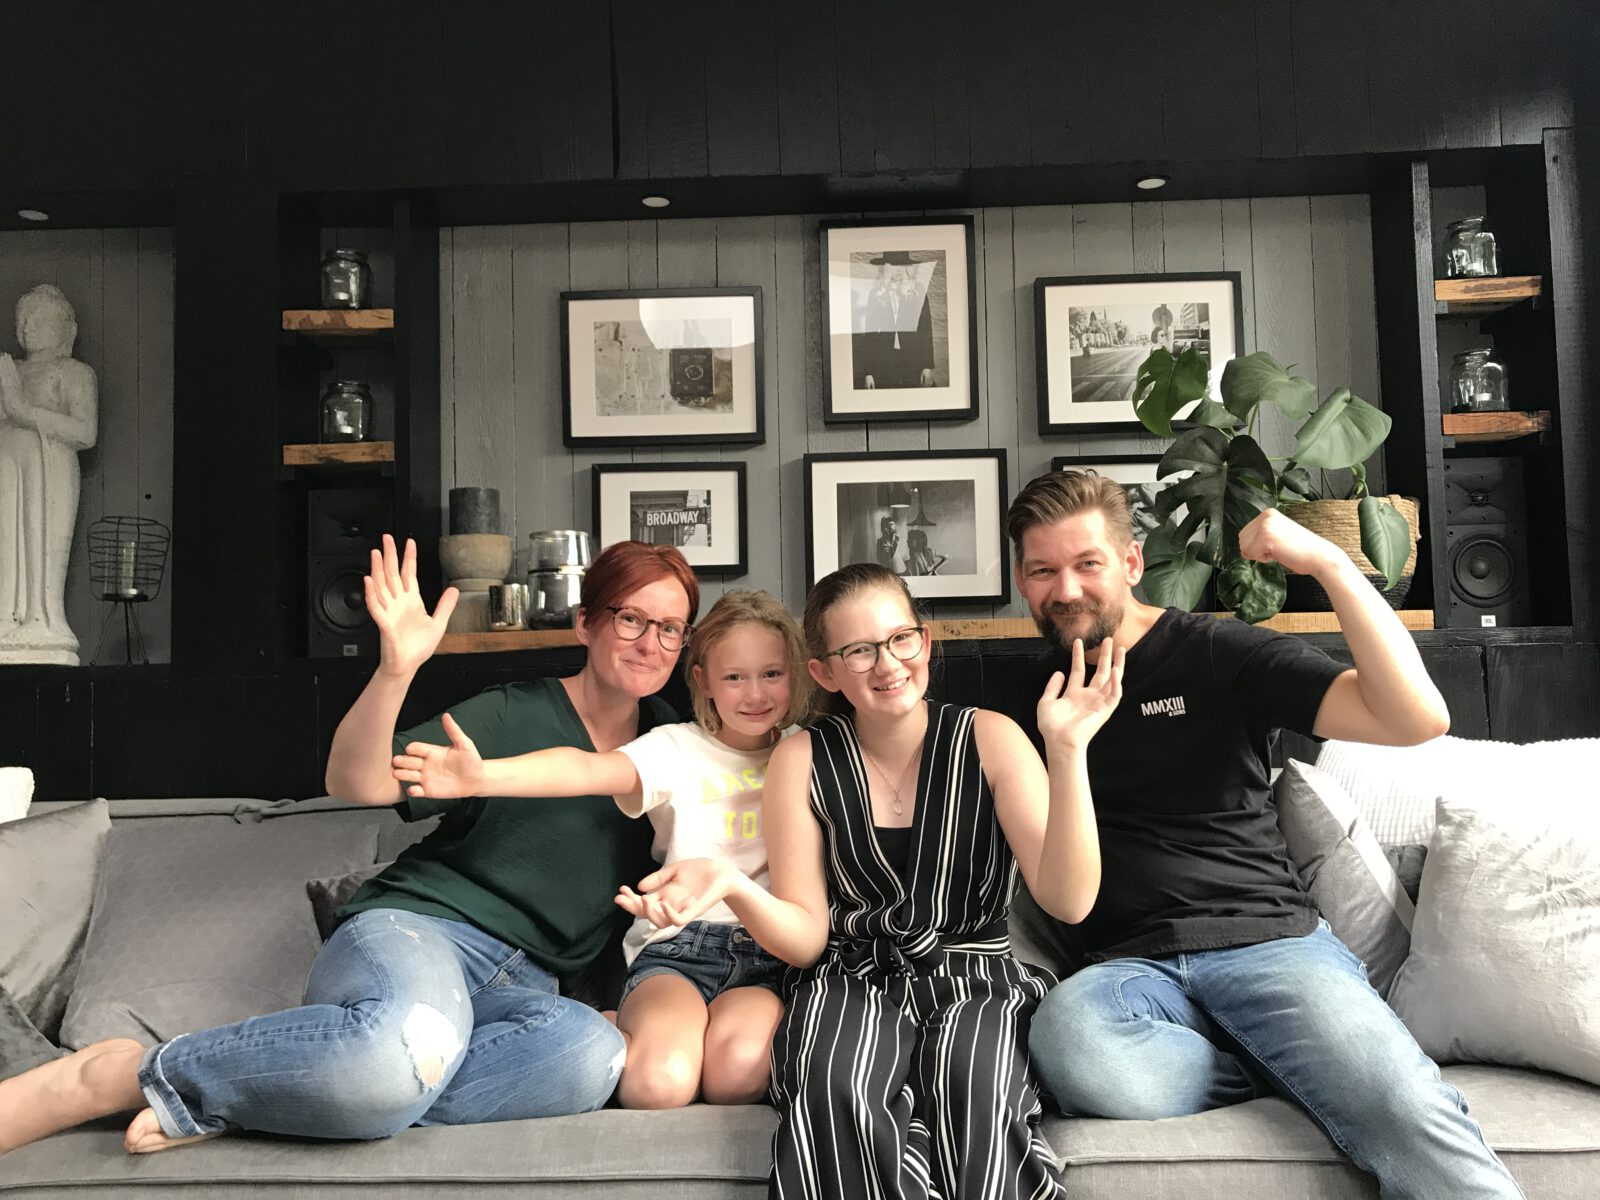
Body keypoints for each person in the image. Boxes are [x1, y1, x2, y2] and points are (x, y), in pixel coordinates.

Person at [0, 535, 698, 1157]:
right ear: (584, 622)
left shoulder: (678, 746)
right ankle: (114, 1075)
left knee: (594, 1056)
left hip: (525, 989)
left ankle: (263, 1094)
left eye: (670, 629)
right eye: (630, 618)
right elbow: (356, 780)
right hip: (421, 934)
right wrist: (396, 668)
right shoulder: (515, 712)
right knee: (397, 1058)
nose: (650, 642)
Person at [1003, 469, 1525, 1199]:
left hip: (1270, 945)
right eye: (1042, 571)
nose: (1066, 589)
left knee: (1402, 1105)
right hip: (1131, 974)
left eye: (1087, 563)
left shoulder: (1216, 653)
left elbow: (1417, 718)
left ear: (1130, 563)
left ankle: (1313, 1066)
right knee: (1068, 1041)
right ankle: (1280, 1067)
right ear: (1021, 581)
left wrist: (1331, 563)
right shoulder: (1025, 701)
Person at [625, 562, 1124, 1198]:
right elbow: (807, 939)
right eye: (859, 650)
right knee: (837, 1086)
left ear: (925, 641)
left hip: (976, 978)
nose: (888, 665)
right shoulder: (801, 758)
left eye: (900, 639)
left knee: (975, 1087)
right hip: (849, 978)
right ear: (824, 672)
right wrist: (732, 882)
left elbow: (1069, 901)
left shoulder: (992, 739)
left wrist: (1069, 751)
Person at [390, 589, 810, 1110]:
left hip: (766, 956)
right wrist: (482, 777)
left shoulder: (808, 751)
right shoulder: (676, 747)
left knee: (737, 1076)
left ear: (796, 673)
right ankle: (611, 1026)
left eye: (772, 673)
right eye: (734, 677)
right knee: (658, 1085)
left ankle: (631, 1030)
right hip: (678, 949)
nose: (755, 694)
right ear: (703, 680)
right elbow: (584, 768)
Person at [0, 284, 98, 661]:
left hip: (48, 467)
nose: (27, 327)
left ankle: (43, 619)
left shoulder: (73, 373)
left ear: (66, 329)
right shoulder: (11, 370)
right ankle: (7, 616)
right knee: (8, 540)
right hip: (7, 467)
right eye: (22, 320)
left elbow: (85, 432)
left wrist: (23, 411)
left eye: (38, 319)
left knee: (39, 537)